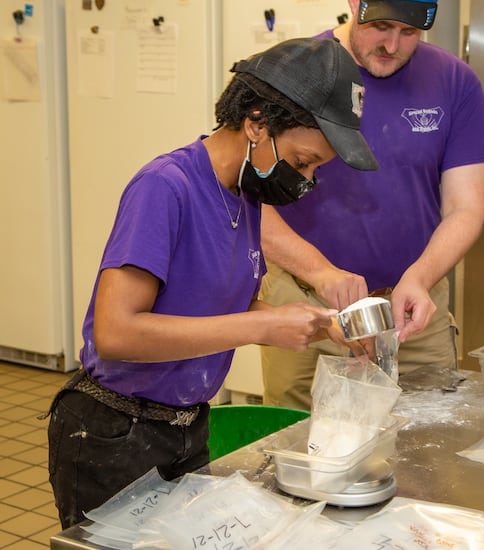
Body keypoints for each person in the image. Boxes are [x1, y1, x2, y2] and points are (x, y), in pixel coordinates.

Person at [47, 37, 378, 529]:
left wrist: (319, 322)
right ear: (256, 122)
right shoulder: (165, 187)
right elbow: (115, 334)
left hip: (185, 427)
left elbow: (220, 307)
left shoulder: (245, 197)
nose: (306, 180)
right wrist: (257, 328)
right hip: (113, 434)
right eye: (303, 160)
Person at [260, 0, 484, 410]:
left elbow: (466, 207)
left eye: (409, 31)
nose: (391, 44)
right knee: (294, 449)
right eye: (380, 24)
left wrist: (421, 277)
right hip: (305, 302)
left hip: (412, 311)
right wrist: (320, 272)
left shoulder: (456, 83)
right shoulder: (293, 72)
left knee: (425, 445)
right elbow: (248, 199)